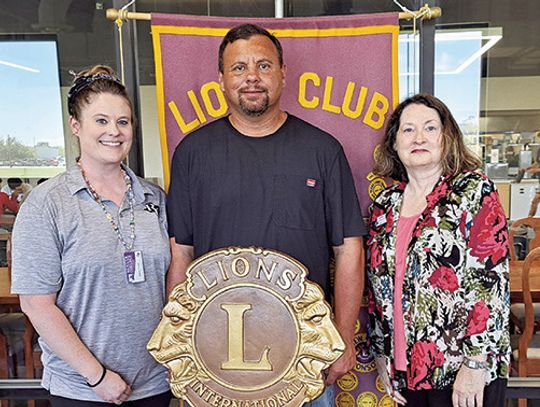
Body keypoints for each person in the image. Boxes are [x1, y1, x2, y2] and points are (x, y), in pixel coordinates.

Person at [166, 23, 366, 405]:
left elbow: (349, 251)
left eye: (263, 65)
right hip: (214, 359)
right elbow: (181, 256)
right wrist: (178, 342)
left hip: (305, 356)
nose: (252, 78)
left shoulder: (322, 150)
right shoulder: (192, 154)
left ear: (283, 73)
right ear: (221, 79)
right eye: (239, 68)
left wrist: (340, 337)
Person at [10, 65, 171, 406]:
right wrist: (96, 376)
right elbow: (36, 304)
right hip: (83, 389)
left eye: (123, 122)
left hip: (155, 383)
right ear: (75, 126)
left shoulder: (153, 198)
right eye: (101, 120)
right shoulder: (47, 204)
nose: (114, 131)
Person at [367, 93, 510, 407]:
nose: (419, 137)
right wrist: (381, 352)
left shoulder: (473, 191)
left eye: (430, 128)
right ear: (394, 143)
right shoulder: (384, 207)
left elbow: (489, 285)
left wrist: (475, 364)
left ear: (448, 138)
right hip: (406, 370)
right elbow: (378, 286)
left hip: (462, 370)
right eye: (408, 130)